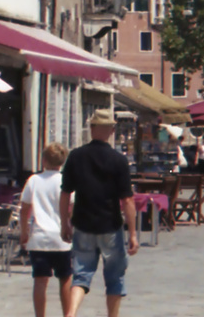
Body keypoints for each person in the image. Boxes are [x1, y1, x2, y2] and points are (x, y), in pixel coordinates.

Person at [60, 109, 138, 317]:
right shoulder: (118, 160)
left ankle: (71, 313)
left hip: (83, 224)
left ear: (91, 129)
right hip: (110, 225)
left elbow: (65, 194)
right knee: (114, 278)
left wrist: (64, 223)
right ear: (112, 131)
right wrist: (132, 233)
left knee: (81, 276)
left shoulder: (75, 156)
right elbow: (127, 200)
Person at [21, 142, 73, 317]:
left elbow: (24, 210)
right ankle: (68, 314)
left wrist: (24, 232)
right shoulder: (66, 181)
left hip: (39, 238)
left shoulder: (34, 181)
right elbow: (72, 209)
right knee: (65, 279)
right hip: (61, 238)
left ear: (43, 160)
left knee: (40, 280)